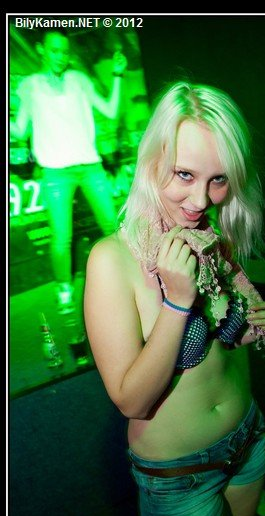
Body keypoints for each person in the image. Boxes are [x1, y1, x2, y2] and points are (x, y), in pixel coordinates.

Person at [84, 81, 265, 516]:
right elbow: (132, 400)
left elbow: (231, 329)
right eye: (184, 175)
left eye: (218, 179)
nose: (200, 201)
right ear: (152, 161)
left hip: (248, 440)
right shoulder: (111, 260)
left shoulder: (211, 234)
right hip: (179, 476)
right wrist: (177, 303)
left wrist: (258, 324)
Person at [10, 29, 127, 314]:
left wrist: (117, 75)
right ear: (41, 50)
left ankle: (128, 276)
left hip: (90, 167)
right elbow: (20, 130)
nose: (60, 57)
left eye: (64, 51)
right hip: (55, 174)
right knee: (61, 236)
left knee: (112, 227)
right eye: (54, 50)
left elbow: (111, 111)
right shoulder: (30, 85)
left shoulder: (78, 80)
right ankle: (64, 287)